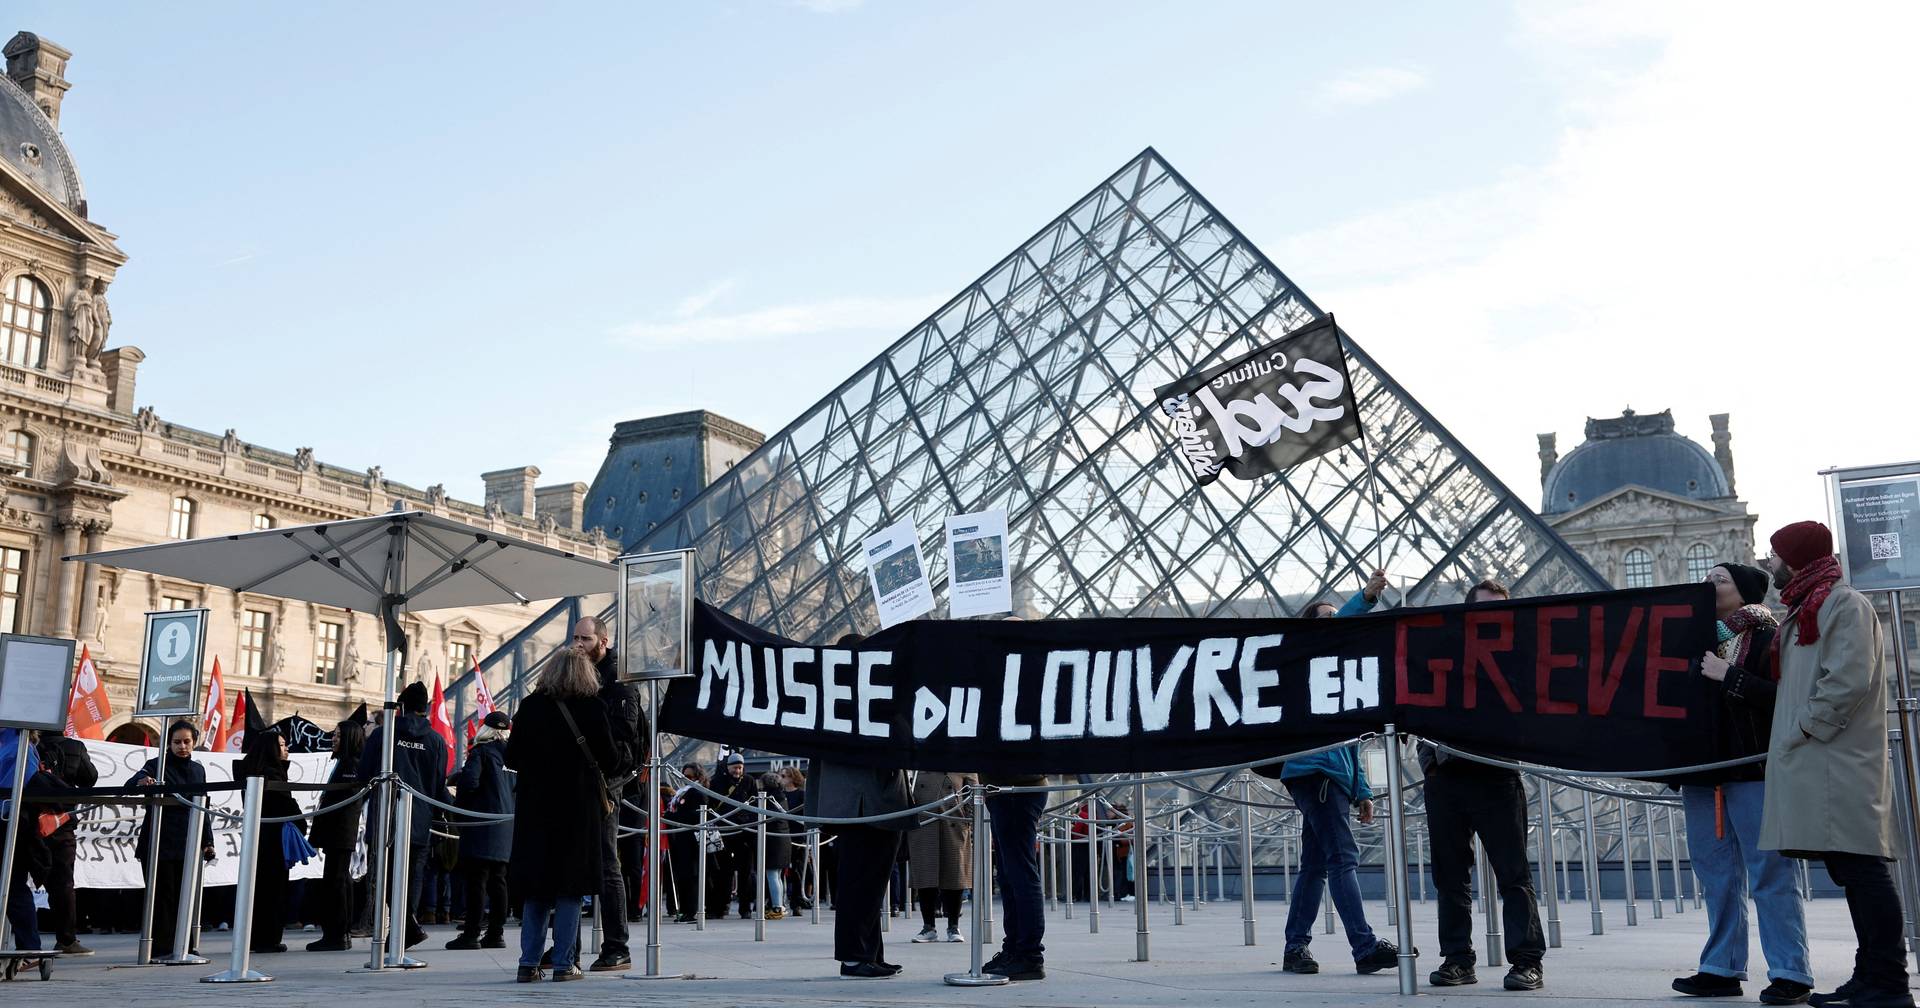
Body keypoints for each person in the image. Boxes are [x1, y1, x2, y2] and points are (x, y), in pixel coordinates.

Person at [1759, 522, 1912, 1008]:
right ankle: (1871, 978)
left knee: (1864, 872)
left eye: (1776, 554)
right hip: (1824, 761)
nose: (1770, 563)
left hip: (1837, 761)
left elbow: (1847, 679)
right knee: (1854, 873)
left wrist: (1805, 728)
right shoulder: (1810, 605)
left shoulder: (1842, 604)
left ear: (1796, 559)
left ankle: (1888, 984)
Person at [1668, 562, 1812, 1002]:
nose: (1709, 585)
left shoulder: (1771, 637)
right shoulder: (1688, 639)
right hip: (1702, 775)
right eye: (1707, 579)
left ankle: (1790, 971)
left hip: (1753, 770)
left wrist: (1728, 676)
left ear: (1745, 591)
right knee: (1716, 875)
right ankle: (1721, 967)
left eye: (1720, 580)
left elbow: (1787, 699)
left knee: (1770, 872)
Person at [1272, 570, 1405, 977]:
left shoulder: (1340, 680)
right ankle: (1364, 947)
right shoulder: (1305, 662)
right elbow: (1330, 633)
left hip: (1331, 777)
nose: (1335, 622)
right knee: (1343, 858)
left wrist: (1362, 791)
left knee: (1315, 865)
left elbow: (1353, 745)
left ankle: (1295, 947)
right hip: (1315, 772)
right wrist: (1365, 598)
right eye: (1327, 617)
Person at [1423, 579, 1545, 992]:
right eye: (1485, 609)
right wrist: (1430, 763)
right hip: (1446, 778)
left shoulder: (1520, 660)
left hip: (1497, 775)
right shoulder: (1443, 654)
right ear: (1467, 612)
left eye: (1500, 609)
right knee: (1449, 877)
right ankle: (1457, 959)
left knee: (1513, 874)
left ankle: (1527, 961)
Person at [506, 651, 617, 983]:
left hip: (535, 810)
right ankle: (564, 964)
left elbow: (511, 757)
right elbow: (610, 759)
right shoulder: (593, 707)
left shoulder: (530, 707)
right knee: (571, 887)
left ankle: (528, 964)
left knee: (537, 887)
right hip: (577, 810)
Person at [808, 633, 913, 978]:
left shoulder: (827, 695)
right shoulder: (866, 695)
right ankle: (855, 956)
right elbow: (901, 738)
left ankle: (869, 952)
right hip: (871, 801)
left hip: (852, 803)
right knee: (863, 882)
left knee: (866, 882)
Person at [980, 616, 1050, 982]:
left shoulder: (1028, 680)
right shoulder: (1026, 676)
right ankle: (1015, 947)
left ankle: (1028, 953)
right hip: (1007, 786)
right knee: (1010, 874)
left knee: (1019, 873)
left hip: (1016, 787)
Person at [573, 615, 644, 972]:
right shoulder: (577, 673)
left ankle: (617, 946)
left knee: (605, 860)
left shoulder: (619, 680)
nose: (578, 644)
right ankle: (566, 948)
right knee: (572, 861)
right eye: (575, 638)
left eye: (584, 639)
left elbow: (624, 733)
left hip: (606, 780)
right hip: (578, 776)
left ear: (603, 641)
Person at [358, 680, 451, 950]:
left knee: (386, 873)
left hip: (386, 816)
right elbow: (438, 785)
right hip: (419, 819)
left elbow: (365, 775)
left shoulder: (383, 734)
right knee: (414, 875)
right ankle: (405, 928)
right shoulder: (436, 741)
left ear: (401, 706)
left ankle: (405, 928)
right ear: (425, 708)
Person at [128, 720, 216, 957]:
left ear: (194, 742)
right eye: (177, 742)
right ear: (169, 743)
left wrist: (208, 841)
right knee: (162, 896)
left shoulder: (198, 770)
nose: (182, 746)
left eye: (187, 741)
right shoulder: (156, 765)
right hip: (159, 840)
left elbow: (203, 806)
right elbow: (132, 784)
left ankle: (186, 946)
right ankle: (162, 948)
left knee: (185, 896)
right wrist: (142, 782)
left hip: (188, 841)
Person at [448, 710, 514, 950]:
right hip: (506, 823)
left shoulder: (481, 752)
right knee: (498, 881)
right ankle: (496, 933)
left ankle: (471, 933)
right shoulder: (514, 756)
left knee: (476, 880)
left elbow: (469, 783)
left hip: (481, 823)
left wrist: (460, 810)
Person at [307, 706, 368, 952]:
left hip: (340, 830)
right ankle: (339, 933)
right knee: (338, 880)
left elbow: (345, 798)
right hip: (338, 830)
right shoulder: (345, 763)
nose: (334, 739)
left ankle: (336, 934)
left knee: (336, 881)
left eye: (339, 735)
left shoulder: (350, 765)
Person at [237, 726, 302, 953]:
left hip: (260, 838)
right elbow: (284, 805)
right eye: (282, 746)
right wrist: (299, 818)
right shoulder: (271, 774)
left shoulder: (253, 770)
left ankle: (257, 937)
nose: (286, 750)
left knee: (260, 888)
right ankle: (268, 938)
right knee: (274, 890)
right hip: (273, 841)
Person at [36, 730, 97, 955]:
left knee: (16, 883)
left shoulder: (29, 744)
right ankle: (67, 940)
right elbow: (89, 778)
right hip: (61, 822)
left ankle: (25, 941)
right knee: (62, 884)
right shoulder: (74, 747)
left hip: (28, 821)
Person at [907, 771, 976, 943]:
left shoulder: (962, 763)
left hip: (954, 823)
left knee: (955, 874)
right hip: (923, 823)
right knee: (925, 875)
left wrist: (967, 819)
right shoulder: (917, 766)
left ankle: (954, 926)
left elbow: (975, 791)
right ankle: (928, 926)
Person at [1, 727, 49, 963]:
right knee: (14, 887)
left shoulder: (19, 745)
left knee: (13, 887)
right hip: (11, 823)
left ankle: (29, 948)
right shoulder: (15, 744)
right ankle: (29, 947)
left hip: (10, 825)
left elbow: (19, 789)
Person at [713, 752, 763, 918]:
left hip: (744, 832)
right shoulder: (718, 781)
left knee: (745, 872)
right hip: (725, 830)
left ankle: (745, 908)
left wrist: (751, 826)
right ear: (728, 767)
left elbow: (755, 804)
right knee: (723, 872)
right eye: (735, 767)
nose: (737, 771)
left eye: (740, 768)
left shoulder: (748, 781)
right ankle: (722, 906)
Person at [665, 762, 710, 923]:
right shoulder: (684, 791)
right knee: (683, 876)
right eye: (684, 776)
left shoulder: (697, 792)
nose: (686, 778)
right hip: (681, 837)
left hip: (691, 840)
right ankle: (685, 910)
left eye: (689, 776)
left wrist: (672, 816)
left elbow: (696, 815)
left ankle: (691, 911)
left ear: (697, 776)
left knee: (690, 876)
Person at [778, 767, 811, 911]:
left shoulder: (801, 794)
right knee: (780, 870)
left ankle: (797, 902)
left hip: (798, 836)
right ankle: (779, 901)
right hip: (783, 836)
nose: (781, 778)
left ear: (792, 777)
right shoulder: (780, 795)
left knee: (798, 870)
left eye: (783, 776)